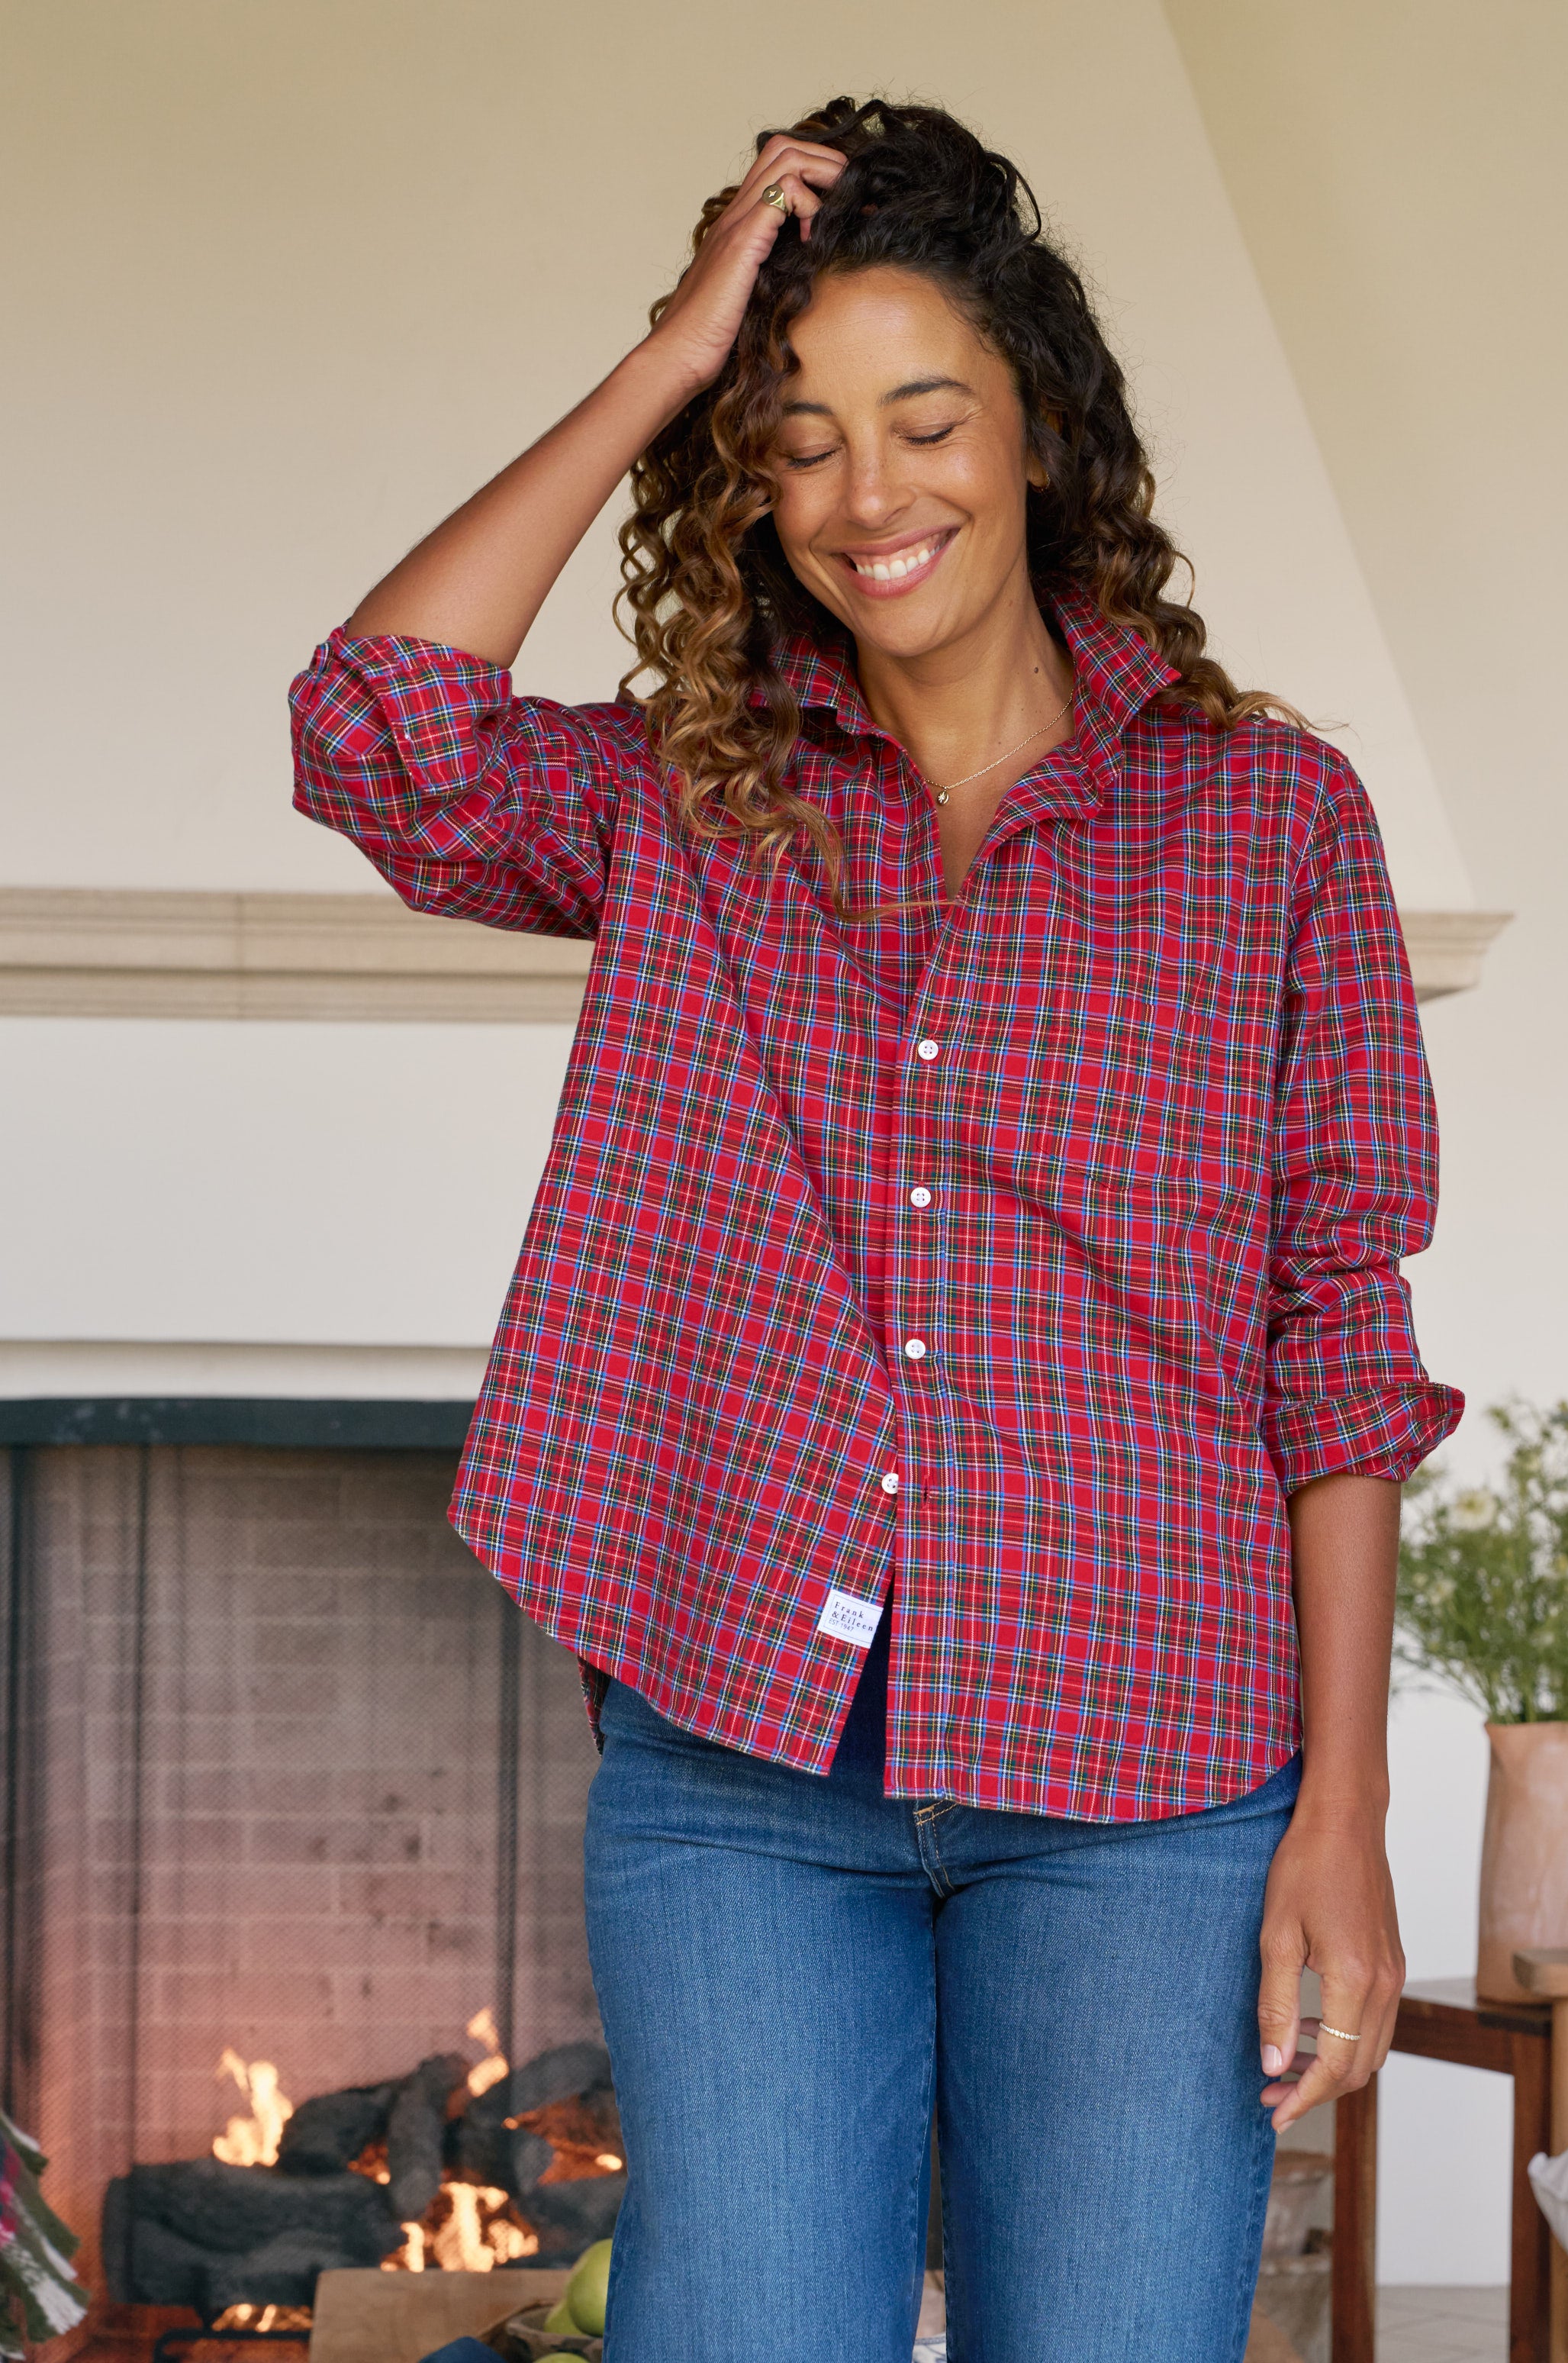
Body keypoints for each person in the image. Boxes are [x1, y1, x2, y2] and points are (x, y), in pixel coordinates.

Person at [291, 95, 1462, 2363]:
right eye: (797, 438)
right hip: (743, 1778)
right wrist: (660, 357)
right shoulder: (683, 792)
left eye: (924, 422)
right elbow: (376, 737)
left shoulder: (1264, 822)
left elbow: (1336, 1326)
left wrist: (1344, 1817)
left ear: (1038, 434)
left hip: (1145, 1783)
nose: (867, 496)